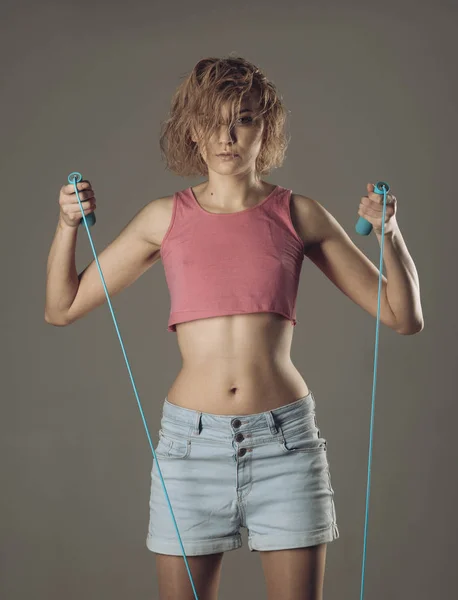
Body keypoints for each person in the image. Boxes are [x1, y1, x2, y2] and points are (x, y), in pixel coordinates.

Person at [45, 56, 424, 600]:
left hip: (285, 447)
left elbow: (403, 317)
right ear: (192, 131)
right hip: (189, 450)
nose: (227, 135)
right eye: (212, 121)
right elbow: (61, 307)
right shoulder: (163, 218)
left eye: (242, 119)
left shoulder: (300, 213)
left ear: (262, 128)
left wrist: (389, 233)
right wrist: (65, 226)